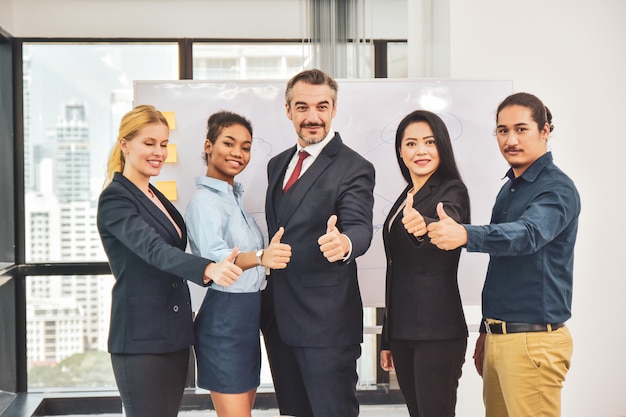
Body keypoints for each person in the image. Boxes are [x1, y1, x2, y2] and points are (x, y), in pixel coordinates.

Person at [427, 92, 581, 417]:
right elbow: (504, 266)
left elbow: (528, 235)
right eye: (502, 130)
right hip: (502, 337)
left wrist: (465, 233)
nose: (510, 139)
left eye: (521, 129)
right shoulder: (511, 185)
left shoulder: (556, 188)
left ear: (545, 130)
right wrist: (488, 328)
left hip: (532, 342)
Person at [97, 104, 242, 417]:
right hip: (141, 340)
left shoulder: (153, 194)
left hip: (173, 334)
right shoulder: (116, 198)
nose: (158, 152)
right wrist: (206, 268)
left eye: (163, 144)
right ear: (125, 144)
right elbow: (152, 249)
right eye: (149, 143)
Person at [261, 68, 376, 417]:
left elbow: (359, 227)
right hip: (280, 319)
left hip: (327, 323)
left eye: (322, 107)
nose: (313, 117)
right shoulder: (276, 164)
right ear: (288, 110)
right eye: (302, 107)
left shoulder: (355, 166)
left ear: (334, 109)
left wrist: (344, 244)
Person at [185, 110, 292, 417]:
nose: (237, 153)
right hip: (224, 320)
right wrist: (261, 257)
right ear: (209, 146)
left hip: (247, 318)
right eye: (229, 143)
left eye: (245, 147)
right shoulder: (205, 201)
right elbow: (219, 261)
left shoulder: (233, 198)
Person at [380, 110, 470, 417]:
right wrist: (388, 337)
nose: (421, 150)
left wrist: (426, 227)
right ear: (401, 151)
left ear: (441, 147)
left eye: (429, 142)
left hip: (438, 331)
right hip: (404, 331)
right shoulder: (406, 195)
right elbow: (396, 270)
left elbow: (451, 223)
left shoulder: (451, 190)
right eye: (411, 143)